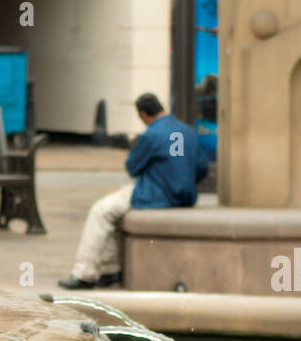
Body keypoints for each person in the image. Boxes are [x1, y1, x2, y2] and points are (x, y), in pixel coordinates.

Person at [60, 93, 209, 290]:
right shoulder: (187, 131)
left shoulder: (151, 134)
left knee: (101, 211)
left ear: (144, 114)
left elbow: (132, 167)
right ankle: (110, 270)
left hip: (155, 196)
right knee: (114, 209)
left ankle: (84, 274)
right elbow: (202, 169)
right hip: (185, 197)